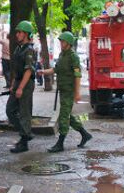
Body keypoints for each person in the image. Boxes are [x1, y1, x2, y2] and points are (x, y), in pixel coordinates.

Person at [37, 31, 92, 152]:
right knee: (67, 115)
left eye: (63, 41)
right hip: (62, 90)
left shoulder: (73, 56)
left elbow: (77, 75)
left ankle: (60, 143)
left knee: (63, 116)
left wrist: (77, 93)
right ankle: (85, 134)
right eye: (60, 41)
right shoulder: (62, 55)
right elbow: (56, 69)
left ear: (69, 43)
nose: (61, 43)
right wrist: (43, 72)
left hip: (69, 91)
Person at [6, 20, 37, 153]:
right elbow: (16, 69)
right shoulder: (19, 48)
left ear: (26, 34)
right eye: (17, 32)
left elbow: (28, 70)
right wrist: (13, 84)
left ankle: (24, 142)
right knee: (10, 110)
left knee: (24, 112)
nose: (17, 34)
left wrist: (20, 88)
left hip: (26, 82)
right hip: (19, 81)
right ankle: (26, 134)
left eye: (20, 32)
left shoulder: (29, 50)